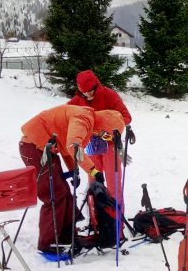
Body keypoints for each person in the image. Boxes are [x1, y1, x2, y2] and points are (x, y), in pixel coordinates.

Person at [19, 104, 125, 253]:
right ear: (105, 126)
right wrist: (93, 170)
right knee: (54, 195)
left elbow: (65, 145)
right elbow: (73, 146)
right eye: (107, 135)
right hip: (34, 147)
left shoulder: (88, 121)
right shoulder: (84, 118)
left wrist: (73, 170)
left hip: (45, 148)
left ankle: (66, 237)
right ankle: (48, 244)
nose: (104, 138)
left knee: (65, 193)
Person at [67, 70, 135, 211]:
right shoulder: (76, 101)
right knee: (94, 183)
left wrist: (106, 124)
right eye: (84, 92)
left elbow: (126, 117)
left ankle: (116, 218)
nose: (88, 94)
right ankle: (97, 217)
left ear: (96, 86)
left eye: (91, 90)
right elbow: (66, 118)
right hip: (91, 146)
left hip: (110, 145)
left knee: (113, 183)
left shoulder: (109, 95)